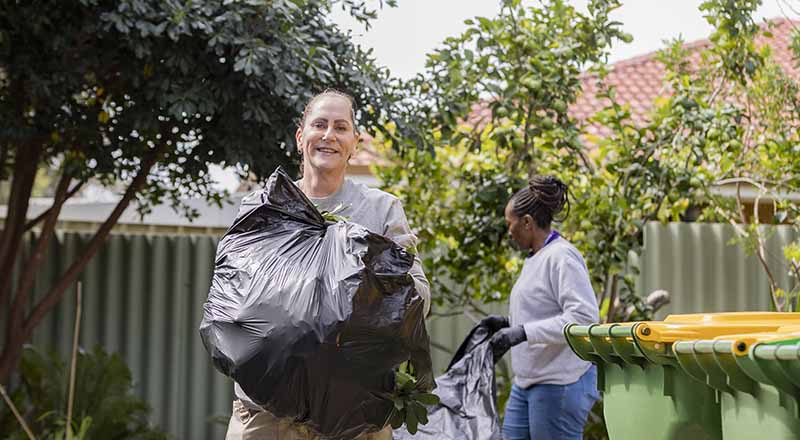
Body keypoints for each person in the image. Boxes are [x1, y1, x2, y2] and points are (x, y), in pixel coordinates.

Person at [225, 89, 431, 440]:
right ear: (300, 136)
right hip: (268, 412)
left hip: (354, 412)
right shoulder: (265, 205)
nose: (328, 135)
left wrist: (363, 290)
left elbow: (419, 296)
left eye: (340, 127)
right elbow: (235, 294)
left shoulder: (381, 210)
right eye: (319, 124)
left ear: (353, 142)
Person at [481, 176, 600, 440]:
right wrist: (506, 323)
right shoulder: (536, 258)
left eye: (510, 224)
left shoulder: (561, 256)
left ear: (527, 222)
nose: (508, 231)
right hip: (527, 382)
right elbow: (542, 311)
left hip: (559, 383)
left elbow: (583, 319)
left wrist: (522, 332)